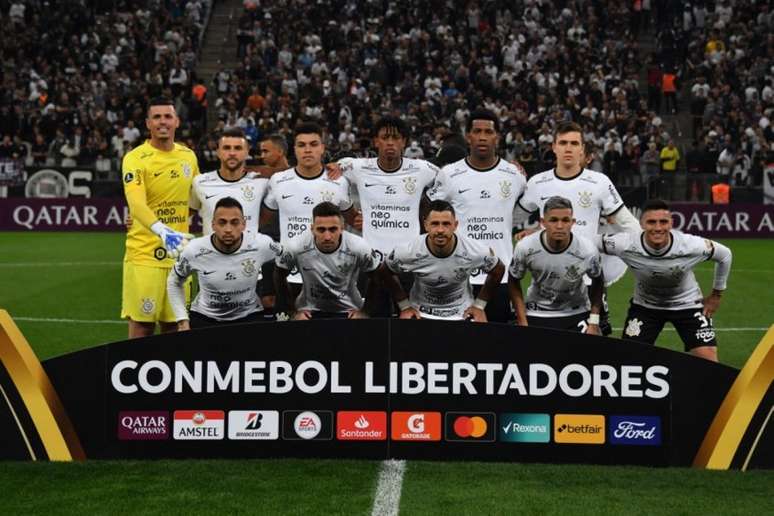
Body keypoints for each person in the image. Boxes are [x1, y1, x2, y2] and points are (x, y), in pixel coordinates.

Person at [516, 121, 641, 335]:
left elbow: (630, 225)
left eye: (574, 143)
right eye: (563, 143)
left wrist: (631, 250)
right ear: (553, 147)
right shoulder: (537, 183)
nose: (568, 148)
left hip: (588, 280)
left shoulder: (599, 182)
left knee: (596, 344)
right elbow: (511, 217)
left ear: (582, 148)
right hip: (546, 281)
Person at [598, 200, 732, 361]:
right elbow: (590, 243)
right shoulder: (624, 243)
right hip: (645, 307)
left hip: (688, 305)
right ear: (642, 224)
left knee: (710, 360)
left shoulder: (689, 245)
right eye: (651, 222)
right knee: (629, 360)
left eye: (663, 222)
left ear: (671, 223)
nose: (658, 228)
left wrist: (716, 295)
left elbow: (725, 255)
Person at [426, 109, 526, 322]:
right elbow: (428, 212)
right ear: (468, 136)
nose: (482, 137)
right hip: (459, 277)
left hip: (502, 276)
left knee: (499, 348)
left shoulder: (515, 175)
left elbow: (527, 207)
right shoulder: (449, 174)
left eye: (488, 132)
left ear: (497, 136)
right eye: (477, 131)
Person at [336, 116, 439, 315]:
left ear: (404, 142)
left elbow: (450, 184)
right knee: (373, 323)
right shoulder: (358, 167)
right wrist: (350, 214)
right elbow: (329, 176)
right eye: (384, 137)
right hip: (372, 263)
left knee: (410, 323)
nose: (390, 142)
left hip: (409, 264)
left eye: (396, 137)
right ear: (376, 141)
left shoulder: (423, 169)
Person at [121, 96, 199, 338]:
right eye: (157, 117)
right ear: (148, 123)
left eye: (167, 116)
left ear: (176, 121)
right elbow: (136, 203)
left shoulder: (188, 156)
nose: (162, 122)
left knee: (174, 326)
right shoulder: (135, 158)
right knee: (142, 325)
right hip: (145, 255)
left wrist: (184, 222)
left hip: (178, 257)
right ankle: (134, 374)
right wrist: (164, 231)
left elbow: (197, 199)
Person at [262, 122, 354, 312]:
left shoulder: (339, 182)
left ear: (322, 148)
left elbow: (354, 219)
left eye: (313, 144)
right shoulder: (279, 181)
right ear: (294, 149)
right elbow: (263, 221)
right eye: (302, 145)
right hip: (289, 275)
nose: (307, 150)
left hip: (330, 276)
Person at [167, 197, 282, 329]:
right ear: (213, 225)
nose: (228, 229)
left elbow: (287, 258)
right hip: (204, 318)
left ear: (243, 224)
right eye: (222, 223)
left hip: (249, 315)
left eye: (234, 223)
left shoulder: (261, 244)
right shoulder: (194, 250)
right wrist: (182, 320)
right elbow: (174, 282)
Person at [382, 200, 505, 321]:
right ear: (426, 225)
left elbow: (498, 269)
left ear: (455, 225)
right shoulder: (409, 251)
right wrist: (404, 306)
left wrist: (479, 306)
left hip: (462, 314)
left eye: (446, 224)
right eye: (435, 224)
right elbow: (385, 270)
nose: (440, 230)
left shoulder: (474, 250)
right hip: (421, 314)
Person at [508, 196, 604, 335]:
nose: (559, 226)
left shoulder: (587, 250)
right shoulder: (525, 247)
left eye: (565, 220)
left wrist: (594, 321)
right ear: (543, 222)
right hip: (537, 312)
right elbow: (513, 280)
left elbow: (598, 280)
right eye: (553, 220)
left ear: (573, 222)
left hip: (576, 311)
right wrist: (522, 321)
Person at [274, 202, 382, 319]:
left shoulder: (358, 246)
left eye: (333, 229)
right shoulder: (295, 246)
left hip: (349, 311)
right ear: (312, 229)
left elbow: (377, 276)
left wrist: (366, 311)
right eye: (321, 230)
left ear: (342, 228)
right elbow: (278, 275)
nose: (327, 237)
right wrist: (292, 312)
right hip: (309, 311)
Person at [190, 127, 268, 235]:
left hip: (249, 251)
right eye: (226, 148)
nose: (232, 153)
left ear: (246, 152)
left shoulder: (261, 182)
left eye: (238, 148)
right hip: (211, 251)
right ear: (218, 152)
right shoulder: (200, 182)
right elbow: (190, 210)